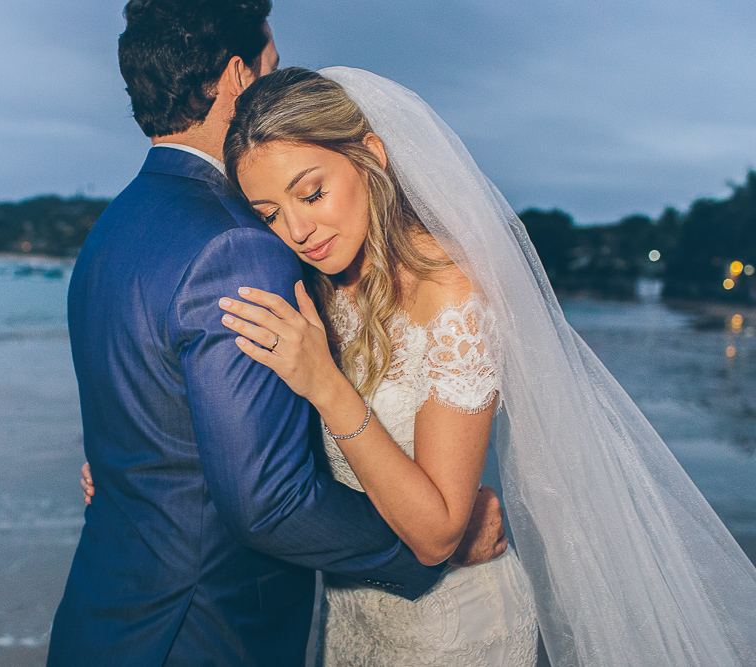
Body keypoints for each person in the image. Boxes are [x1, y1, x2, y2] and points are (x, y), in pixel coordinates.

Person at [206, 66, 756, 664]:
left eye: (311, 193)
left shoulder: (453, 293)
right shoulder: (320, 286)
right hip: (352, 616)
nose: (297, 229)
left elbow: (440, 529)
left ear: (371, 155)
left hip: (454, 631)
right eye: (269, 214)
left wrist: (327, 386)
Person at [47, 3, 509, 665]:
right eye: (271, 64)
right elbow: (268, 500)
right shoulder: (238, 244)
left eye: (309, 194)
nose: (291, 226)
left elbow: (163, 426)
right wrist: (435, 547)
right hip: (203, 630)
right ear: (239, 75)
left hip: (106, 616)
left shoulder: (114, 230)